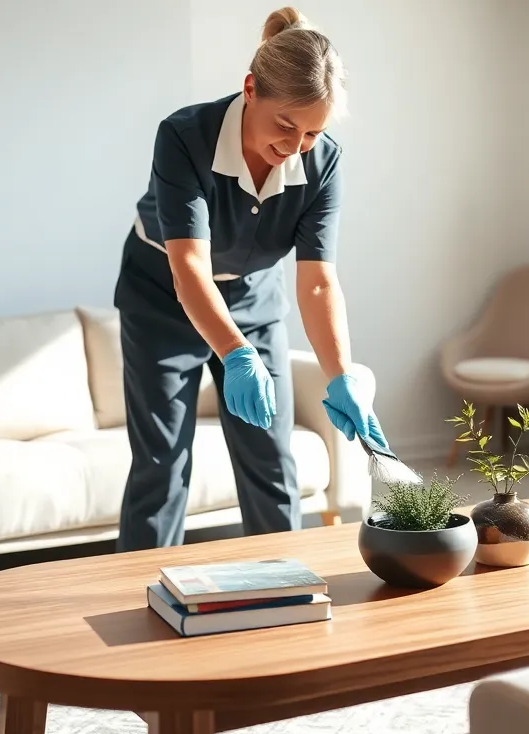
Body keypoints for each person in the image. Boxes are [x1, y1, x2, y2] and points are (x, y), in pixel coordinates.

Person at [113, 6, 387, 551]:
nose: (296, 146)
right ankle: (139, 599)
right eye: (286, 125)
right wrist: (236, 356)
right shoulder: (184, 136)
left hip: (253, 299)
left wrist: (341, 375)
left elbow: (315, 282)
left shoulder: (322, 162)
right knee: (161, 461)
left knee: (271, 456)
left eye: (313, 132)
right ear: (250, 90)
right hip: (162, 296)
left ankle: (284, 590)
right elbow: (189, 264)